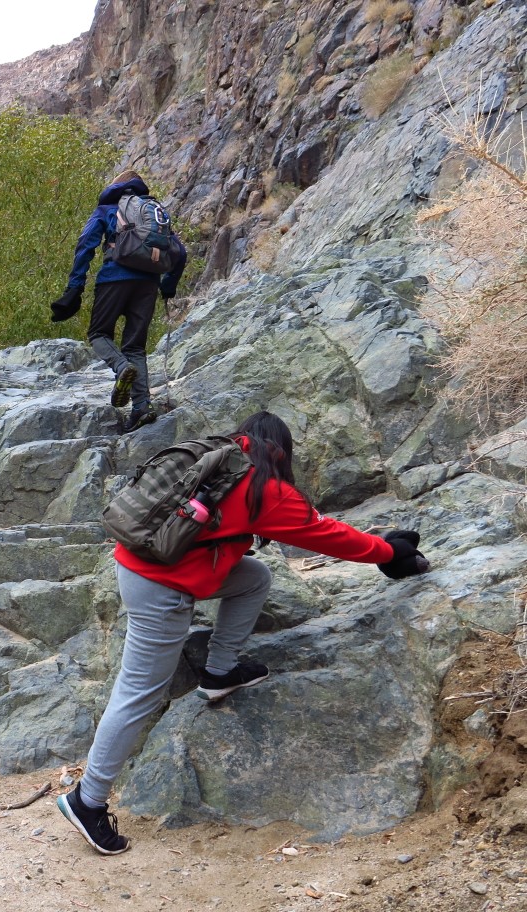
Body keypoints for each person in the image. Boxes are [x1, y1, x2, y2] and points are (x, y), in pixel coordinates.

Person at [56, 411, 431, 855]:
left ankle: (219, 672)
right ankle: (89, 799)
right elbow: (324, 534)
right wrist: (389, 550)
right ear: (281, 451)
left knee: (253, 576)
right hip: (160, 586)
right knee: (138, 691)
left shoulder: (219, 455)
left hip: (146, 563)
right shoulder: (264, 489)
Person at [50, 169, 187, 432]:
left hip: (114, 278)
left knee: (99, 333)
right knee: (135, 347)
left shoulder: (107, 209)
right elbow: (179, 253)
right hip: (148, 283)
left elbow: (85, 245)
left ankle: (121, 367)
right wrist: (167, 288)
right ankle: (142, 408)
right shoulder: (154, 211)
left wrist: (74, 288)